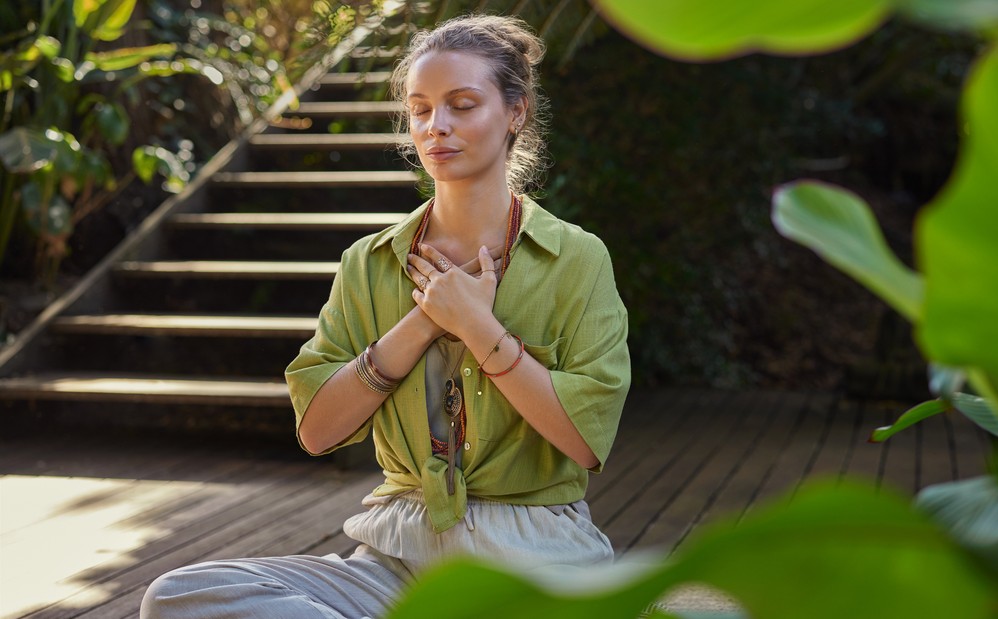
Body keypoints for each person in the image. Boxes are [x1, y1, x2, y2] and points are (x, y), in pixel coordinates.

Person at [140, 13, 631, 619]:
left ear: (515, 112)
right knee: (178, 596)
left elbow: (583, 440)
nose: (436, 126)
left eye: (462, 105)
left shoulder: (576, 258)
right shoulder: (368, 263)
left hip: (533, 559)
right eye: (420, 109)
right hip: (395, 561)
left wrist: (478, 326)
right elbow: (318, 432)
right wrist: (425, 319)